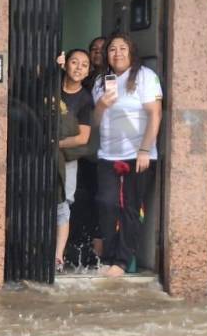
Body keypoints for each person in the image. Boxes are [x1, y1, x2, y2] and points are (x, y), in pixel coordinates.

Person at [91, 33, 162, 278]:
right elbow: (95, 122)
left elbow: (155, 114)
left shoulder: (145, 76)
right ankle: (109, 257)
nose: (117, 53)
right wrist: (101, 105)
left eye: (123, 48)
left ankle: (121, 263)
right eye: (112, 49)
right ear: (106, 55)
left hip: (138, 155)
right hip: (108, 154)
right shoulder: (101, 81)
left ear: (131, 52)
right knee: (106, 203)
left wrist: (145, 149)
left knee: (131, 208)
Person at [54, 49, 94, 272]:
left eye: (84, 65)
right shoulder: (51, 86)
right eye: (74, 62)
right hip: (39, 155)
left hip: (66, 158)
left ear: (88, 72)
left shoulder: (86, 99)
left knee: (63, 204)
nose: (78, 67)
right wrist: (52, 68)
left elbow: (83, 137)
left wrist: (55, 144)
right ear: (65, 64)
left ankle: (57, 257)